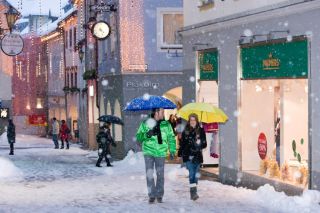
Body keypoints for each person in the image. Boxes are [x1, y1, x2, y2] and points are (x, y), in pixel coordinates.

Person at [136, 108, 176, 204]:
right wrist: (147, 134)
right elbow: (138, 138)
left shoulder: (166, 124)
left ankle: (159, 194)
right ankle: (151, 195)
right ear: (156, 112)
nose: (163, 113)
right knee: (149, 174)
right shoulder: (146, 123)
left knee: (160, 175)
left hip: (161, 152)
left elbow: (171, 137)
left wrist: (172, 150)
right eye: (162, 111)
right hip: (148, 152)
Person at [178, 114, 207, 201]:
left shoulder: (201, 131)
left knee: (196, 176)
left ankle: (194, 190)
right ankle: (193, 193)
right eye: (191, 120)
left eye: (194, 120)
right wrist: (180, 152)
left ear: (197, 120)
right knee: (192, 174)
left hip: (197, 156)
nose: (192, 121)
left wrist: (200, 143)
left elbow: (205, 144)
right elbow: (182, 143)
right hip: (188, 155)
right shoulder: (186, 131)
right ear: (189, 121)